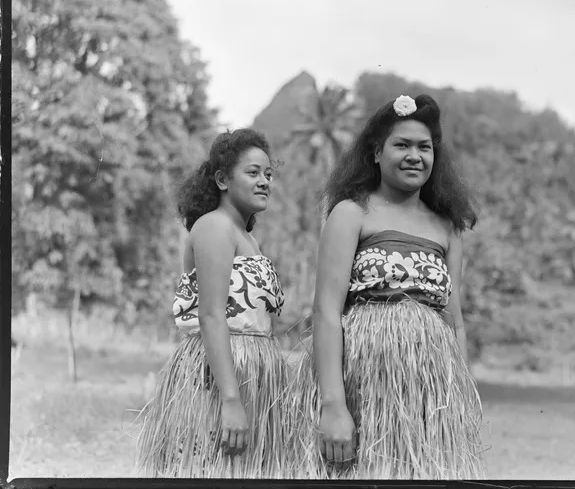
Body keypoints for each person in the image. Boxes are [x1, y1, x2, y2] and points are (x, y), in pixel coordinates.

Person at [288, 94, 486, 480]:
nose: (415, 155)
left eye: (424, 147)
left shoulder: (447, 226)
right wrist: (333, 404)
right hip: (364, 386)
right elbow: (327, 312)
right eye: (402, 145)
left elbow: (454, 319)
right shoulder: (351, 213)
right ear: (377, 153)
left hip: (430, 393)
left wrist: (460, 398)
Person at [136, 129, 291, 478]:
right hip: (217, 379)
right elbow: (211, 315)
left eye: (268, 174)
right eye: (253, 173)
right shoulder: (214, 227)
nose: (264, 181)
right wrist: (231, 400)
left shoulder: (245, 236)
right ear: (222, 179)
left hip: (251, 372)